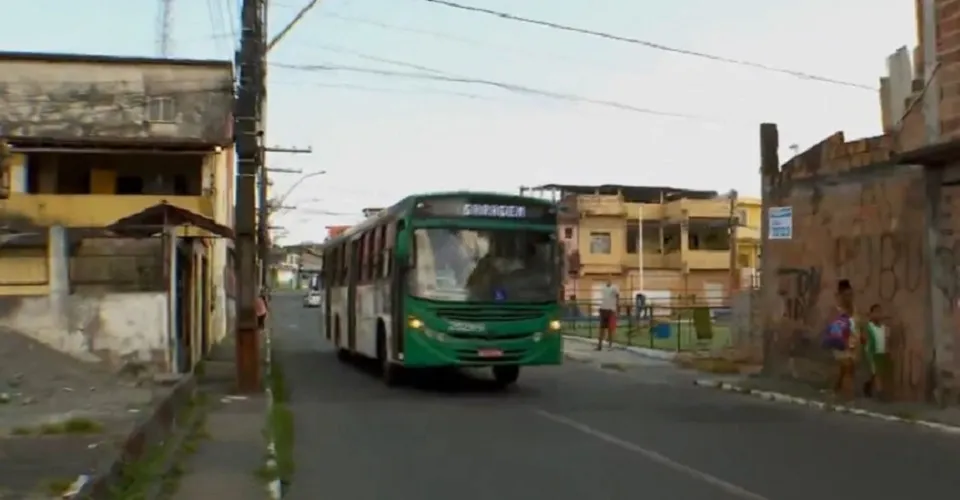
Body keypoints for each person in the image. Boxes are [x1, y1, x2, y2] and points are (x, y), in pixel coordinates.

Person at [825, 279, 860, 400]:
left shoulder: (854, 310)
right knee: (847, 369)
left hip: (853, 344)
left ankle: (832, 392)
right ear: (840, 295)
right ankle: (849, 399)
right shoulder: (836, 310)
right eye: (846, 295)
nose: (849, 298)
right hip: (841, 344)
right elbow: (834, 328)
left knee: (845, 371)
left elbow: (857, 325)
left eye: (850, 295)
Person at [863, 303, 891, 399]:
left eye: (880, 312)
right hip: (872, 352)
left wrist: (887, 349)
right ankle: (880, 393)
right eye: (876, 312)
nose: (878, 314)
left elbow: (886, 339)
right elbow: (865, 338)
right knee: (877, 372)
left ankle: (868, 385)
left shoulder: (884, 327)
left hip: (881, 352)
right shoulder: (869, 326)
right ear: (871, 314)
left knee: (876, 372)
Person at [597, 280, 619, 351]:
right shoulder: (603, 288)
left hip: (611, 310)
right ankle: (599, 345)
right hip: (603, 309)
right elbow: (603, 298)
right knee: (601, 328)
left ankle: (610, 345)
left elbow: (617, 297)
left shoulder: (615, 288)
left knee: (610, 329)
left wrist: (616, 309)